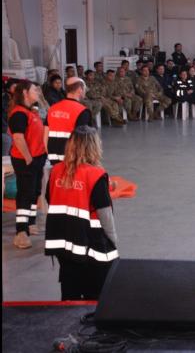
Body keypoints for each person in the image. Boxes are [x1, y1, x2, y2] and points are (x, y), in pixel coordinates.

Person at [44, 126, 118, 300]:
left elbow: (50, 197)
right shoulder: (96, 175)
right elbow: (105, 215)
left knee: (70, 292)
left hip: (63, 243)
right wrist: (114, 241)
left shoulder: (56, 170)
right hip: (90, 244)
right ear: (94, 147)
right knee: (96, 295)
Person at [8, 81, 48, 249]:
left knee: (34, 193)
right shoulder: (18, 114)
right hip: (26, 160)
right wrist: (28, 158)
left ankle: (30, 223)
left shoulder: (31, 111)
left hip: (37, 158)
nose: (37, 92)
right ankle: (21, 232)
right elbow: (18, 138)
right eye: (34, 90)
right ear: (25, 93)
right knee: (25, 195)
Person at [46, 78, 92, 165]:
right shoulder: (82, 111)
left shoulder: (52, 108)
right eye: (84, 89)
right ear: (79, 89)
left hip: (54, 159)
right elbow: (84, 140)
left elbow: (45, 134)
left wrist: (49, 154)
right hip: (73, 158)